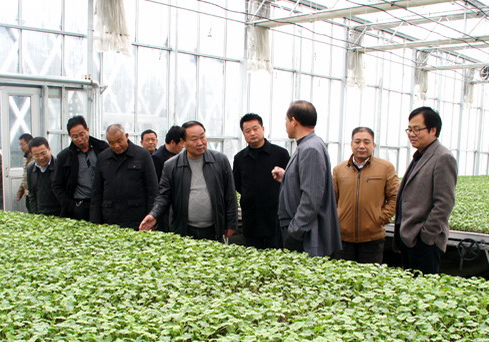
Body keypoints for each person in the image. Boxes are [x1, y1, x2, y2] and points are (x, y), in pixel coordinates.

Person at [139, 120, 237, 241]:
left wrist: (231, 223)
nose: (200, 143)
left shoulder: (220, 160)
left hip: (214, 229)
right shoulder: (171, 165)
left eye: (202, 137)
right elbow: (163, 196)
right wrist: (154, 215)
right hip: (184, 229)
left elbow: (230, 194)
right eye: (194, 139)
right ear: (183, 142)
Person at [272, 100, 341, 257]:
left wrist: (295, 231)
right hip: (304, 232)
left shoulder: (310, 148)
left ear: (294, 121)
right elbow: (310, 181)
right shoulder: (308, 145)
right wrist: (286, 176)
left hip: (307, 236)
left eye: (286, 120)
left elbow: (311, 198)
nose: (285, 125)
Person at [394, 106, 457, 275]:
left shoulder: (443, 157)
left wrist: (426, 236)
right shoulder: (420, 155)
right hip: (409, 238)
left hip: (423, 242)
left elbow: (444, 203)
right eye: (409, 129)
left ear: (433, 130)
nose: (411, 134)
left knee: (422, 286)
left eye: (417, 129)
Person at [332, 127, 399, 264]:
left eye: (366, 142)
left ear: (373, 145)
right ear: (351, 144)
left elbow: (395, 197)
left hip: (372, 239)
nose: (362, 146)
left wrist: (381, 217)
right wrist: (338, 219)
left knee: (370, 275)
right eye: (357, 142)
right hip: (343, 238)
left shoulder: (385, 168)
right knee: (342, 274)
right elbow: (332, 199)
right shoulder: (339, 170)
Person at [233, 113, 290, 249]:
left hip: (275, 217)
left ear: (263, 129)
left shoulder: (280, 154)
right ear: (243, 134)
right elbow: (237, 184)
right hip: (251, 219)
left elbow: (290, 182)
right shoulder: (240, 158)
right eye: (247, 131)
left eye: (255, 128)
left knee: (276, 255)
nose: (252, 133)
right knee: (252, 255)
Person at [90, 124, 158, 229]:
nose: (116, 146)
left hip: (136, 218)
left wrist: (152, 216)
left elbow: (152, 189)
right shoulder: (103, 158)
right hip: (110, 217)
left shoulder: (142, 155)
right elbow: (97, 191)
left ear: (126, 136)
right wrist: (95, 219)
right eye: (111, 143)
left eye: (119, 141)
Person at [52, 115, 108, 220]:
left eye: (82, 134)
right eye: (75, 137)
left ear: (87, 130)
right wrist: (70, 206)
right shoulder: (64, 157)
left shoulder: (103, 148)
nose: (80, 139)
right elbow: (57, 185)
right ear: (70, 136)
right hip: (80, 206)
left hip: (103, 204)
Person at [26, 137, 61, 216]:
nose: (41, 158)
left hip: (59, 213)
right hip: (40, 214)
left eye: (43, 153)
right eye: (36, 155)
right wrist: (35, 213)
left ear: (49, 149)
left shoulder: (59, 166)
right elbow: (31, 193)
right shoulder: (30, 168)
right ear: (31, 154)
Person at [15, 133, 35, 211]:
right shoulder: (26, 157)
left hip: (33, 194)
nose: (21, 147)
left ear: (29, 143)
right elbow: (25, 176)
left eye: (22, 144)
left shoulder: (34, 158)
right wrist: (20, 192)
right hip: (28, 193)